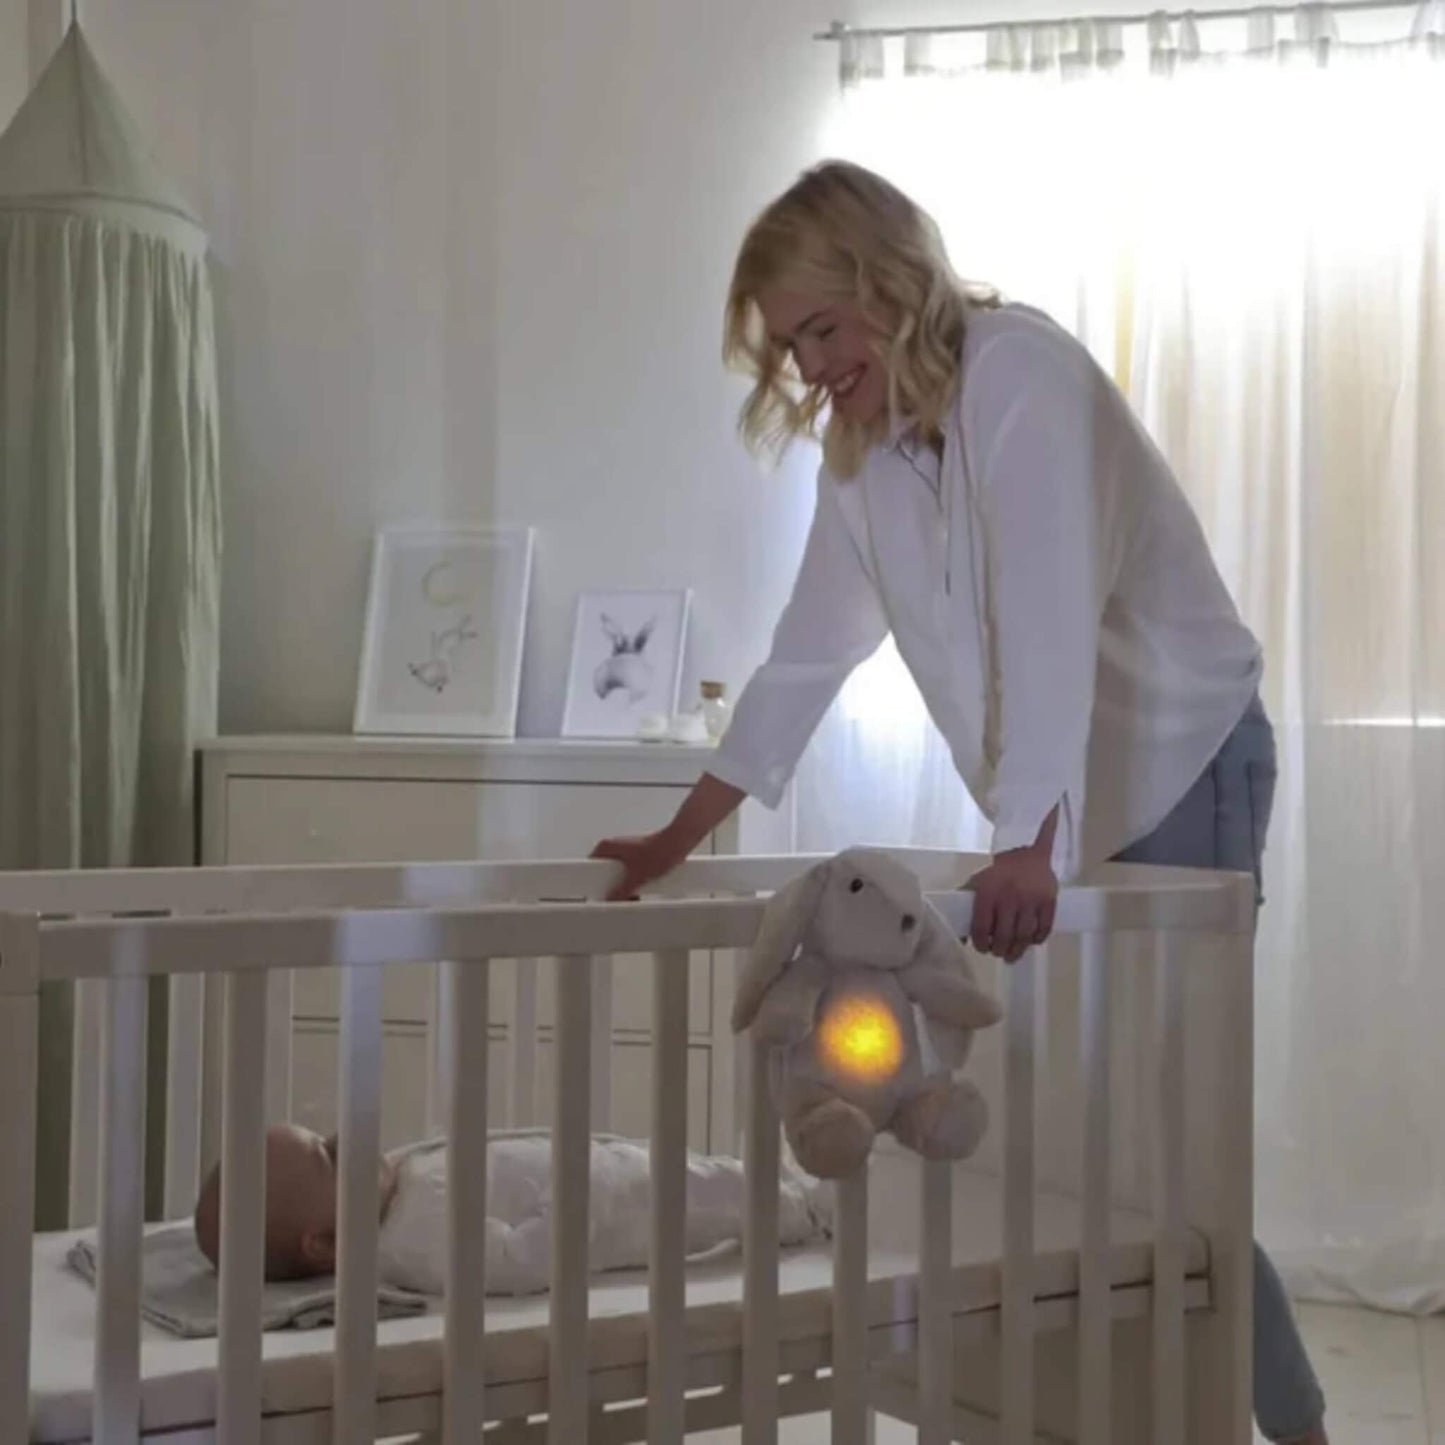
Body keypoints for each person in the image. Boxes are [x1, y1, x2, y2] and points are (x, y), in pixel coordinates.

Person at [589, 160, 1327, 1444]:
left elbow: (1047, 616)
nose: (810, 367)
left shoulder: (1021, 379)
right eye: (788, 347)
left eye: (823, 328)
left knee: (1167, 1148)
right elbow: (804, 657)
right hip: (1058, 803)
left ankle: (1291, 1423)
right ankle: (1077, 1407)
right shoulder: (863, 461)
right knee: (1063, 1149)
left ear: (888, 279)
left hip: (1175, 756)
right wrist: (675, 830)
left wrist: (1019, 840)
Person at [192, 1123, 827, 1293]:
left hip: (604, 1169)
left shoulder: (394, 1189)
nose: (344, 1139)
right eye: (328, 1156)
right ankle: (811, 1212)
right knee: (716, 1198)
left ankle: (798, 1191)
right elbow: (520, 1263)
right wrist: (575, 1194)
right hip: (616, 1204)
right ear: (326, 1244)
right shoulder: (415, 1242)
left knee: (711, 1177)